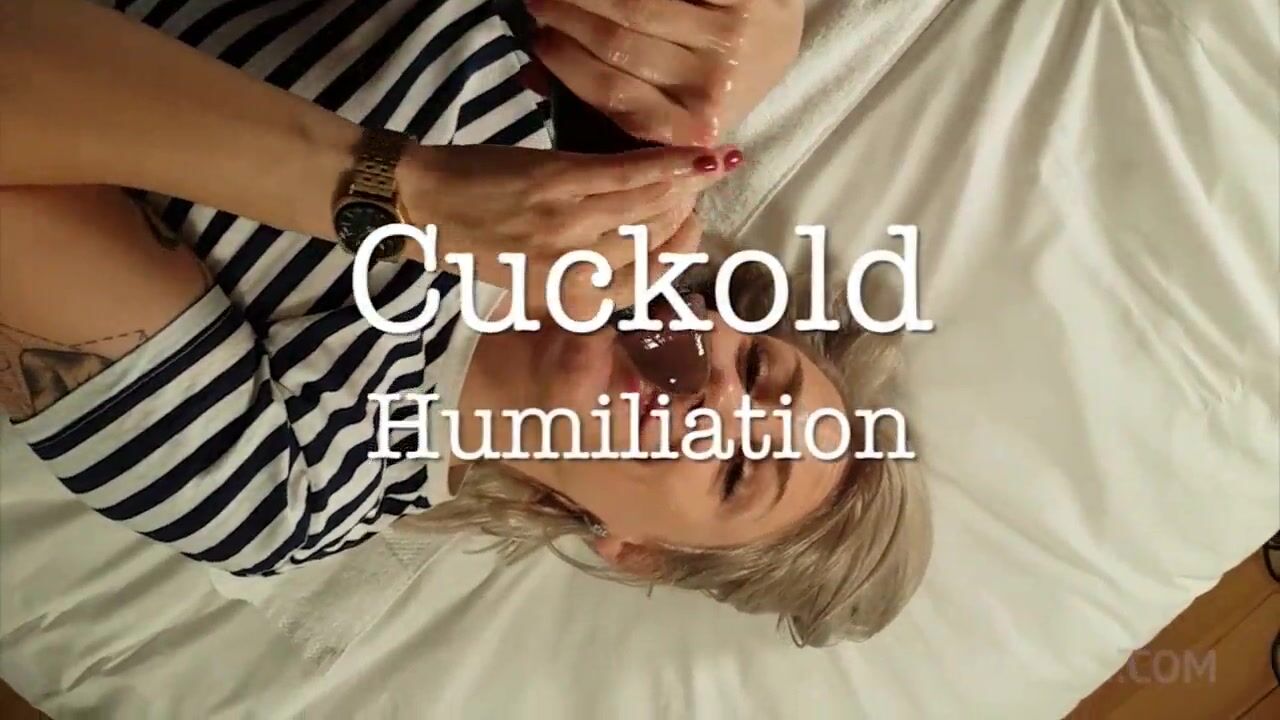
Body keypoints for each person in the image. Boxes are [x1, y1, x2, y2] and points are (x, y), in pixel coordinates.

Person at [0, 0, 931, 647]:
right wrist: (738, 25)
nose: (721, 395)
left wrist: (399, 194)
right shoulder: (599, 140)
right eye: (760, 372)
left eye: (736, 470)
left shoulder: (288, 484)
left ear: (634, 550)